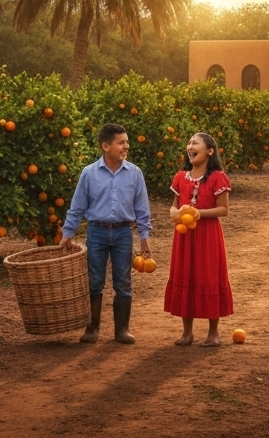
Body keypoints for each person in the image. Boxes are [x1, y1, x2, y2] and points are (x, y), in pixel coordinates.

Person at [61, 123, 152, 344]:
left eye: (127, 142)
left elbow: (142, 209)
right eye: (121, 143)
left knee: (123, 282)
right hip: (97, 232)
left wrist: (144, 238)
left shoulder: (134, 173)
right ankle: (92, 328)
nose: (126, 146)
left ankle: (122, 330)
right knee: (94, 282)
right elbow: (78, 206)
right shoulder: (89, 173)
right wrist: (68, 233)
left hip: (122, 233)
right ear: (105, 146)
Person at [163, 132, 234, 346]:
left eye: (195, 143)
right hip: (184, 236)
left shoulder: (217, 178)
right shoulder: (180, 177)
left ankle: (213, 333)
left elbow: (224, 209)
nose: (190, 146)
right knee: (187, 275)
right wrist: (174, 213)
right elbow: (175, 205)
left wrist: (197, 213)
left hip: (208, 236)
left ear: (210, 151)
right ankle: (187, 333)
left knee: (209, 276)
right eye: (189, 142)